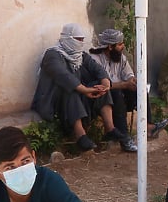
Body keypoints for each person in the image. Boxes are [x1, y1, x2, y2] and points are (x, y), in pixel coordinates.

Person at [31, 23, 131, 152]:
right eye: (78, 39)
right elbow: (63, 76)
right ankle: (80, 135)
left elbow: (96, 68)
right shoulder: (52, 55)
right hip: (53, 101)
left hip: (78, 97)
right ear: (67, 38)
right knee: (69, 89)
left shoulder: (80, 56)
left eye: (82, 39)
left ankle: (110, 129)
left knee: (99, 86)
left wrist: (105, 82)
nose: (81, 42)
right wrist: (84, 89)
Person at [88, 28, 168, 147]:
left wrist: (133, 81)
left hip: (119, 94)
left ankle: (148, 126)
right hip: (101, 98)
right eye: (120, 44)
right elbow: (103, 86)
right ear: (110, 47)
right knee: (117, 94)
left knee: (140, 88)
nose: (123, 46)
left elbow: (128, 74)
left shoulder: (120, 57)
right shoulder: (94, 59)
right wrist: (124, 85)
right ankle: (124, 138)